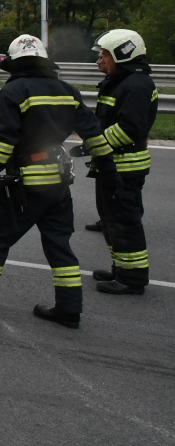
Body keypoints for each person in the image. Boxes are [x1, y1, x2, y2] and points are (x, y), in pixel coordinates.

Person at [0, 35, 118, 329]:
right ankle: (69, 309)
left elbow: (4, 142)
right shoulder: (67, 90)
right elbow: (95, 135)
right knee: (59, 245)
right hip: (59, 183)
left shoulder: (13, 91)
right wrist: (109, 170)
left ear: (14, 63)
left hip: (24, 184)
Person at [85, 29, 155, 296]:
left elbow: (129, 128)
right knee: (111, 220)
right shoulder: (121, 81)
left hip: (125, 167)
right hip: (112, 165)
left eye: (104, 56)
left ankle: (133, 278)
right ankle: (121, 267)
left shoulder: (136, 85)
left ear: (121, 55)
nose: (99, 61)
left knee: (124, 222)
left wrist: (95, 144)